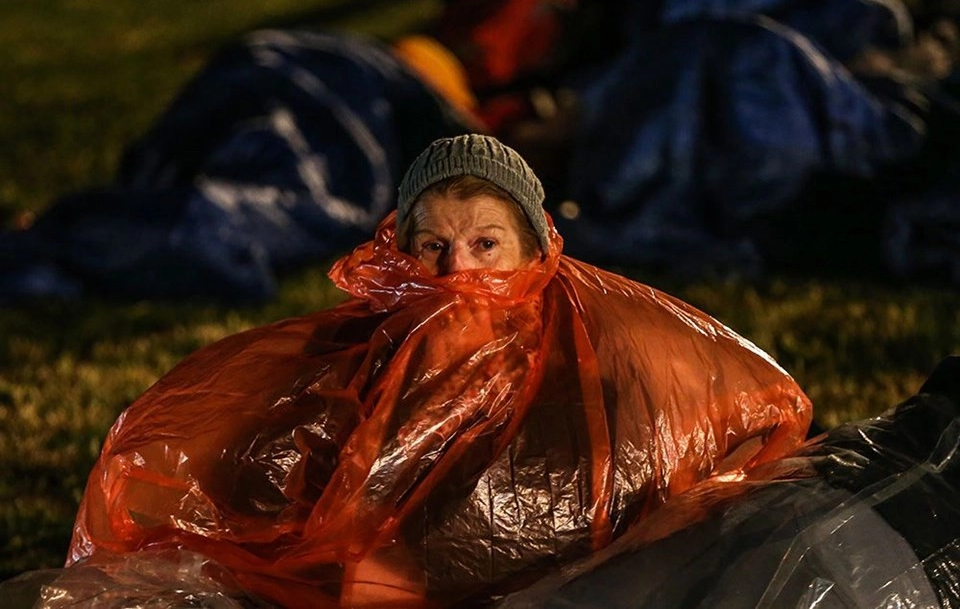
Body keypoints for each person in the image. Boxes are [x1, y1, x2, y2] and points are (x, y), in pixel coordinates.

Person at [61, 134, 812, 607]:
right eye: (433, 248)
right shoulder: (368, 349)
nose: (458, 270)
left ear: (536, 247)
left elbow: (730, 409)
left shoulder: (601, 339)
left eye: (486, 244)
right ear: (400, 249)